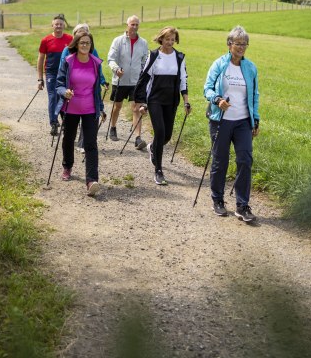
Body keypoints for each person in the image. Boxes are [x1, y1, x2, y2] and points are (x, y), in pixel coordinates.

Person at [203, 25, 260, 222]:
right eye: (238, 43)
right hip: (222, 120)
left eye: (245, 44)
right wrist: (218, 100)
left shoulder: (250, 67)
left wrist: (256, 120)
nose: (241, 47)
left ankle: (242, 205)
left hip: (243, 121)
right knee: (221, 161)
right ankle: (217, 199)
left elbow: (254, 95)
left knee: (245, 160)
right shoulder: (219, 65)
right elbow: (207, 88)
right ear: (229, 45)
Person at [134, 26, 191, 185]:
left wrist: (186, 101)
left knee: (167, 136)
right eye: (167, 39)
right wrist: (142, 102)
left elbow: (183, 80)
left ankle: (153, 147)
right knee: (160, 132)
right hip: (155, 100)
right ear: (161, 39)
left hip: (171, 100)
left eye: (173, 39)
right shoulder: (154, 55)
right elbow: (143, 79)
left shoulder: (179, 57)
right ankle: (158, 170)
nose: (170, 42)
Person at [55, 30, 106, 197]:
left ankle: (91, 180)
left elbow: (96, 88)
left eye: (88, 43)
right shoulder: (69, 61)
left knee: (91, 144)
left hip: (90, 108)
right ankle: (67, 166)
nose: (85, 45)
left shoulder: (95, 63)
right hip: (71, 107)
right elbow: (59, 84)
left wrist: (101, 107)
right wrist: (64, 92)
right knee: (69, 138)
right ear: (76, 44)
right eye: (82, 42)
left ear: (91, 45)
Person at [59, 23, 108, 153]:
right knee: (69, 135)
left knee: (89, 135)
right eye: (80, 33)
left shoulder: (93, 52)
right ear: (76, 38)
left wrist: (103, 81)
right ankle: (68, 163)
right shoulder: (67, 52)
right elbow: (63, 72)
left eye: (86, 33)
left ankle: (82, 144)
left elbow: (98, 70)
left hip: (89, 100)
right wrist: (65, 91)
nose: (85, 44)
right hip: (71, 98)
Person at [107, 15, 149, 149]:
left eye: (137, 25)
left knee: (136, 108)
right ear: (127, 25)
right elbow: (111, 59)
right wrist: (116, 69)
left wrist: (143, 72)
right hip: (120, 79)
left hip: (136, 81)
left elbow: (145, 60)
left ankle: (138, 138)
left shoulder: (143, 42)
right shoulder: (118, 41)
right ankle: (113, 127)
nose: (135, 27)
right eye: (132, 24)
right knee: (117, 106)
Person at [37, 14, 73, 136]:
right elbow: (41, 59)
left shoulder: (70, 39)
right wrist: (40, 79)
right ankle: (53, 123)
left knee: (65, 97)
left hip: (65, 74)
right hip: (51, 73)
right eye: (56, 24)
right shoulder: (46, 40)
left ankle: (65, 122)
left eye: (61, 24)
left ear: (64, 26)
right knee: (53, 97)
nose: (58, 26)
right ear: (52, 25)